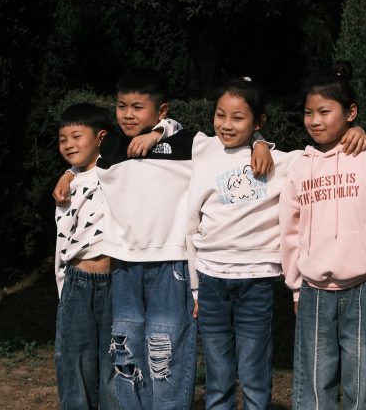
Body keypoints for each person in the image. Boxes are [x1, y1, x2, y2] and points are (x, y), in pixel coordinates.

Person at [52, 68, 274, 410]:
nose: (128, 114)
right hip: (124, 267)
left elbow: (230, 140)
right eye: (122, 106)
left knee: (166, 350)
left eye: (138, 107)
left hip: (172, 266)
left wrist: (260, 143)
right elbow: (82, 159)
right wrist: (68, 175)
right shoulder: (112, 147)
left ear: (162, 111)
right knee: (126, 352)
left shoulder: (186, 144)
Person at [185, 77, 366, 410]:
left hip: (256, 281)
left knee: (254, 371)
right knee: (217, 375)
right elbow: (188, 222)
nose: (226, 125)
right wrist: (195, 288)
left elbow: (325, 155)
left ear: (258, 121)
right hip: (211, 281)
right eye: (220, 115)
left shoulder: (283, 163)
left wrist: (355, 132)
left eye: (238, 117)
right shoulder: (203, 152)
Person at [279, 62, 366, 410]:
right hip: (313, 293)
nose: (314, 121)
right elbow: (289, 231)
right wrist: (295, 286)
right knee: (313, 388)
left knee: (363, 386)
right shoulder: (299, 166)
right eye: (308, 112)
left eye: (324, 112)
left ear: (351, 113)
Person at [53, 103, 119, 410]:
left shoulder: (118, 171)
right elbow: (62, 243)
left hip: (116, 281)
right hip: (77, 283)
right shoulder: (64, 189)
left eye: (77, 136)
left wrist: (259, 141)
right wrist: (63, 290)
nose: (68, 144)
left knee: (115, 367)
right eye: (62, 138)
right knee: (75, 365)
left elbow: (168, 130)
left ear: (100, 137)